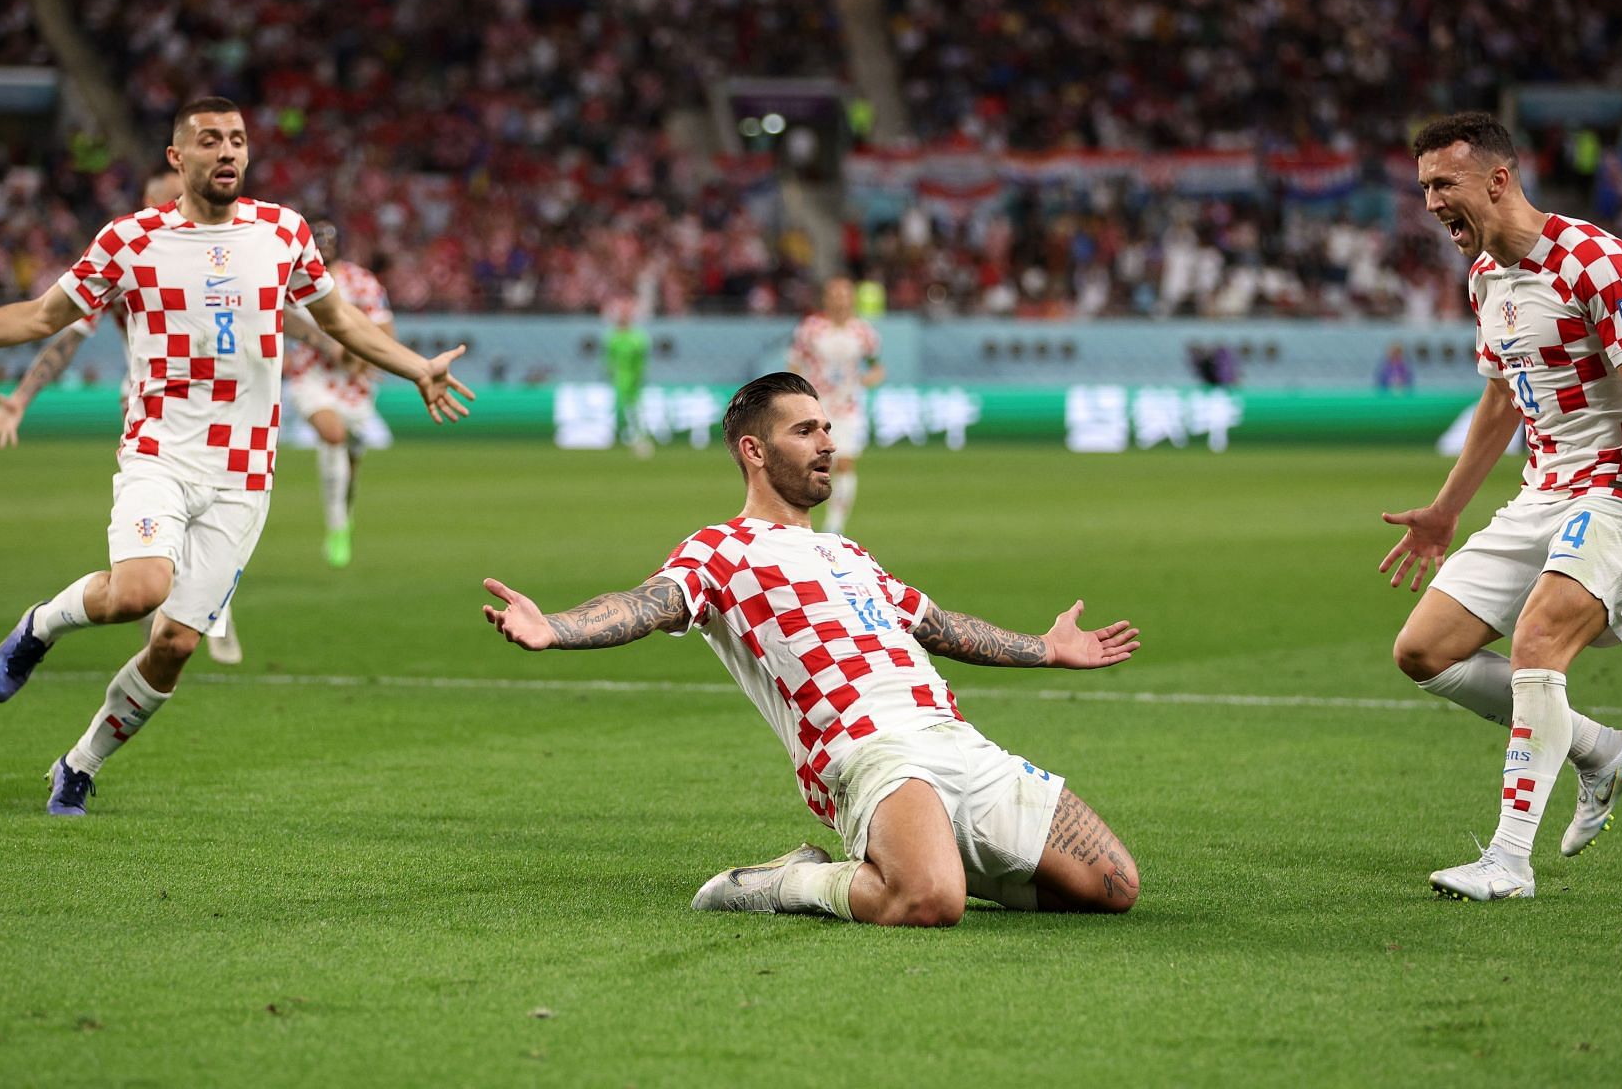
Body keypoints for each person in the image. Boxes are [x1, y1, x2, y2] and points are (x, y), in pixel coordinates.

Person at [0, 96, 474, 815]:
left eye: (237, 138)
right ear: (178, 158)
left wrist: (414, 365)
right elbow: (39, 315)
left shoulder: (283, 232)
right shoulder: (130, 240)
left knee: (174, 643)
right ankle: (39, 627)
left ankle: (79, 764)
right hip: (160, 452)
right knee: (139, 590)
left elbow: (337, 319)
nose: (228, 151)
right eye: (210, 140)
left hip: (244, 473)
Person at [483, 371, 1142, 926]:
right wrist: (557, 627)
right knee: (930, 901)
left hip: (956, 737)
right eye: (805, 431)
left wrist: (1048, 649)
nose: (827, 442)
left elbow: (938, 624)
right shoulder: (720, 549)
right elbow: (646, 602)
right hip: (869, 748)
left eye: (827, 428)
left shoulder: (848, 552)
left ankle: (919, 853)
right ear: (754, 450)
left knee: (1111, 885)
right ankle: (787, 883)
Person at [1380, 111, 1622, 901]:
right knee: (1423, 650)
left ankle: (1507, 858)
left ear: (1498, 179)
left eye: (1444, 184)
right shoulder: (1484, 280)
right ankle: (1599, 748)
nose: (1430, 202)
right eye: (1424, 185)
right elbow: (1502, 397)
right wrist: (1444, 509)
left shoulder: (1594, 260)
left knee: (1537, 637)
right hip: (1546, 491)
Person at [0, 169, 246, 665]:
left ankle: (206, 609)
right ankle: (177, 602)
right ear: (150, 201)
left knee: (219, 503)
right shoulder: (132, 249)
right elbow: (66, 330)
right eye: (171, 199)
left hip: (223, 401)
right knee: (169, 500)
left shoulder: (227, 251)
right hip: (149, 398)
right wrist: (22, 396)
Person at [282, 224, 393, 567]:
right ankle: (336, 527)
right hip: (309, 375)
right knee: (332, 433)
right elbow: (275, 321)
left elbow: (384, 327)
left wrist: (361, 357)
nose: (324, 247)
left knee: (351, 461)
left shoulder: (360, 281)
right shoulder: (292, 282)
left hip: (353, 383)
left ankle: (344, 510)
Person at [789, 277, 883, 533]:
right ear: (826, 299)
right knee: (803, 463)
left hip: (847, 406)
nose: (840, 300)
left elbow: (877, 367)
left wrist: (868, 379)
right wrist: (799, 390)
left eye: (844, 295)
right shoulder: (811, 329)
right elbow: (795, 361)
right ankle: (795, 520)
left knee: (844, 462)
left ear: (852, 299)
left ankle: (834, 526)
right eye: (835, 295)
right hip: (815, 405)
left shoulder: (863, 333)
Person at [604, 297, 652, 458]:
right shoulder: (613, 338)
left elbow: (641, 361)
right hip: (619, 378)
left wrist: (639, 376)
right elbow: (610, 361)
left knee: (634, 408)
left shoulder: (637, 338)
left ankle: (638, 438)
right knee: (621, 408)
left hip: (633, 379)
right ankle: (622, 437)